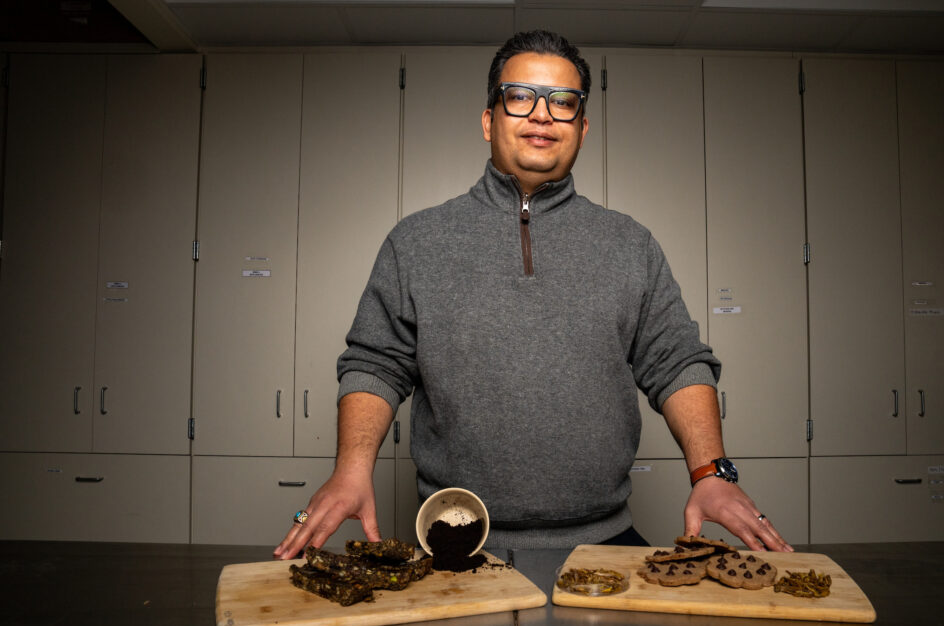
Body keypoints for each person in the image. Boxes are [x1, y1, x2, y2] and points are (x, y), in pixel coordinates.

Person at [274, 30, 792, 560]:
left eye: (563, 103)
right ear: (488, 120)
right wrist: (350, 471)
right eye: (520, 97)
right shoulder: (417, 242)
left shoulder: (629, 244)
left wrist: (712, 472)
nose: (542, 115)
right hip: (456, 548)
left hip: (605, 548)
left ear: (582, 128)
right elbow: (375, 364)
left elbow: (677, 362)